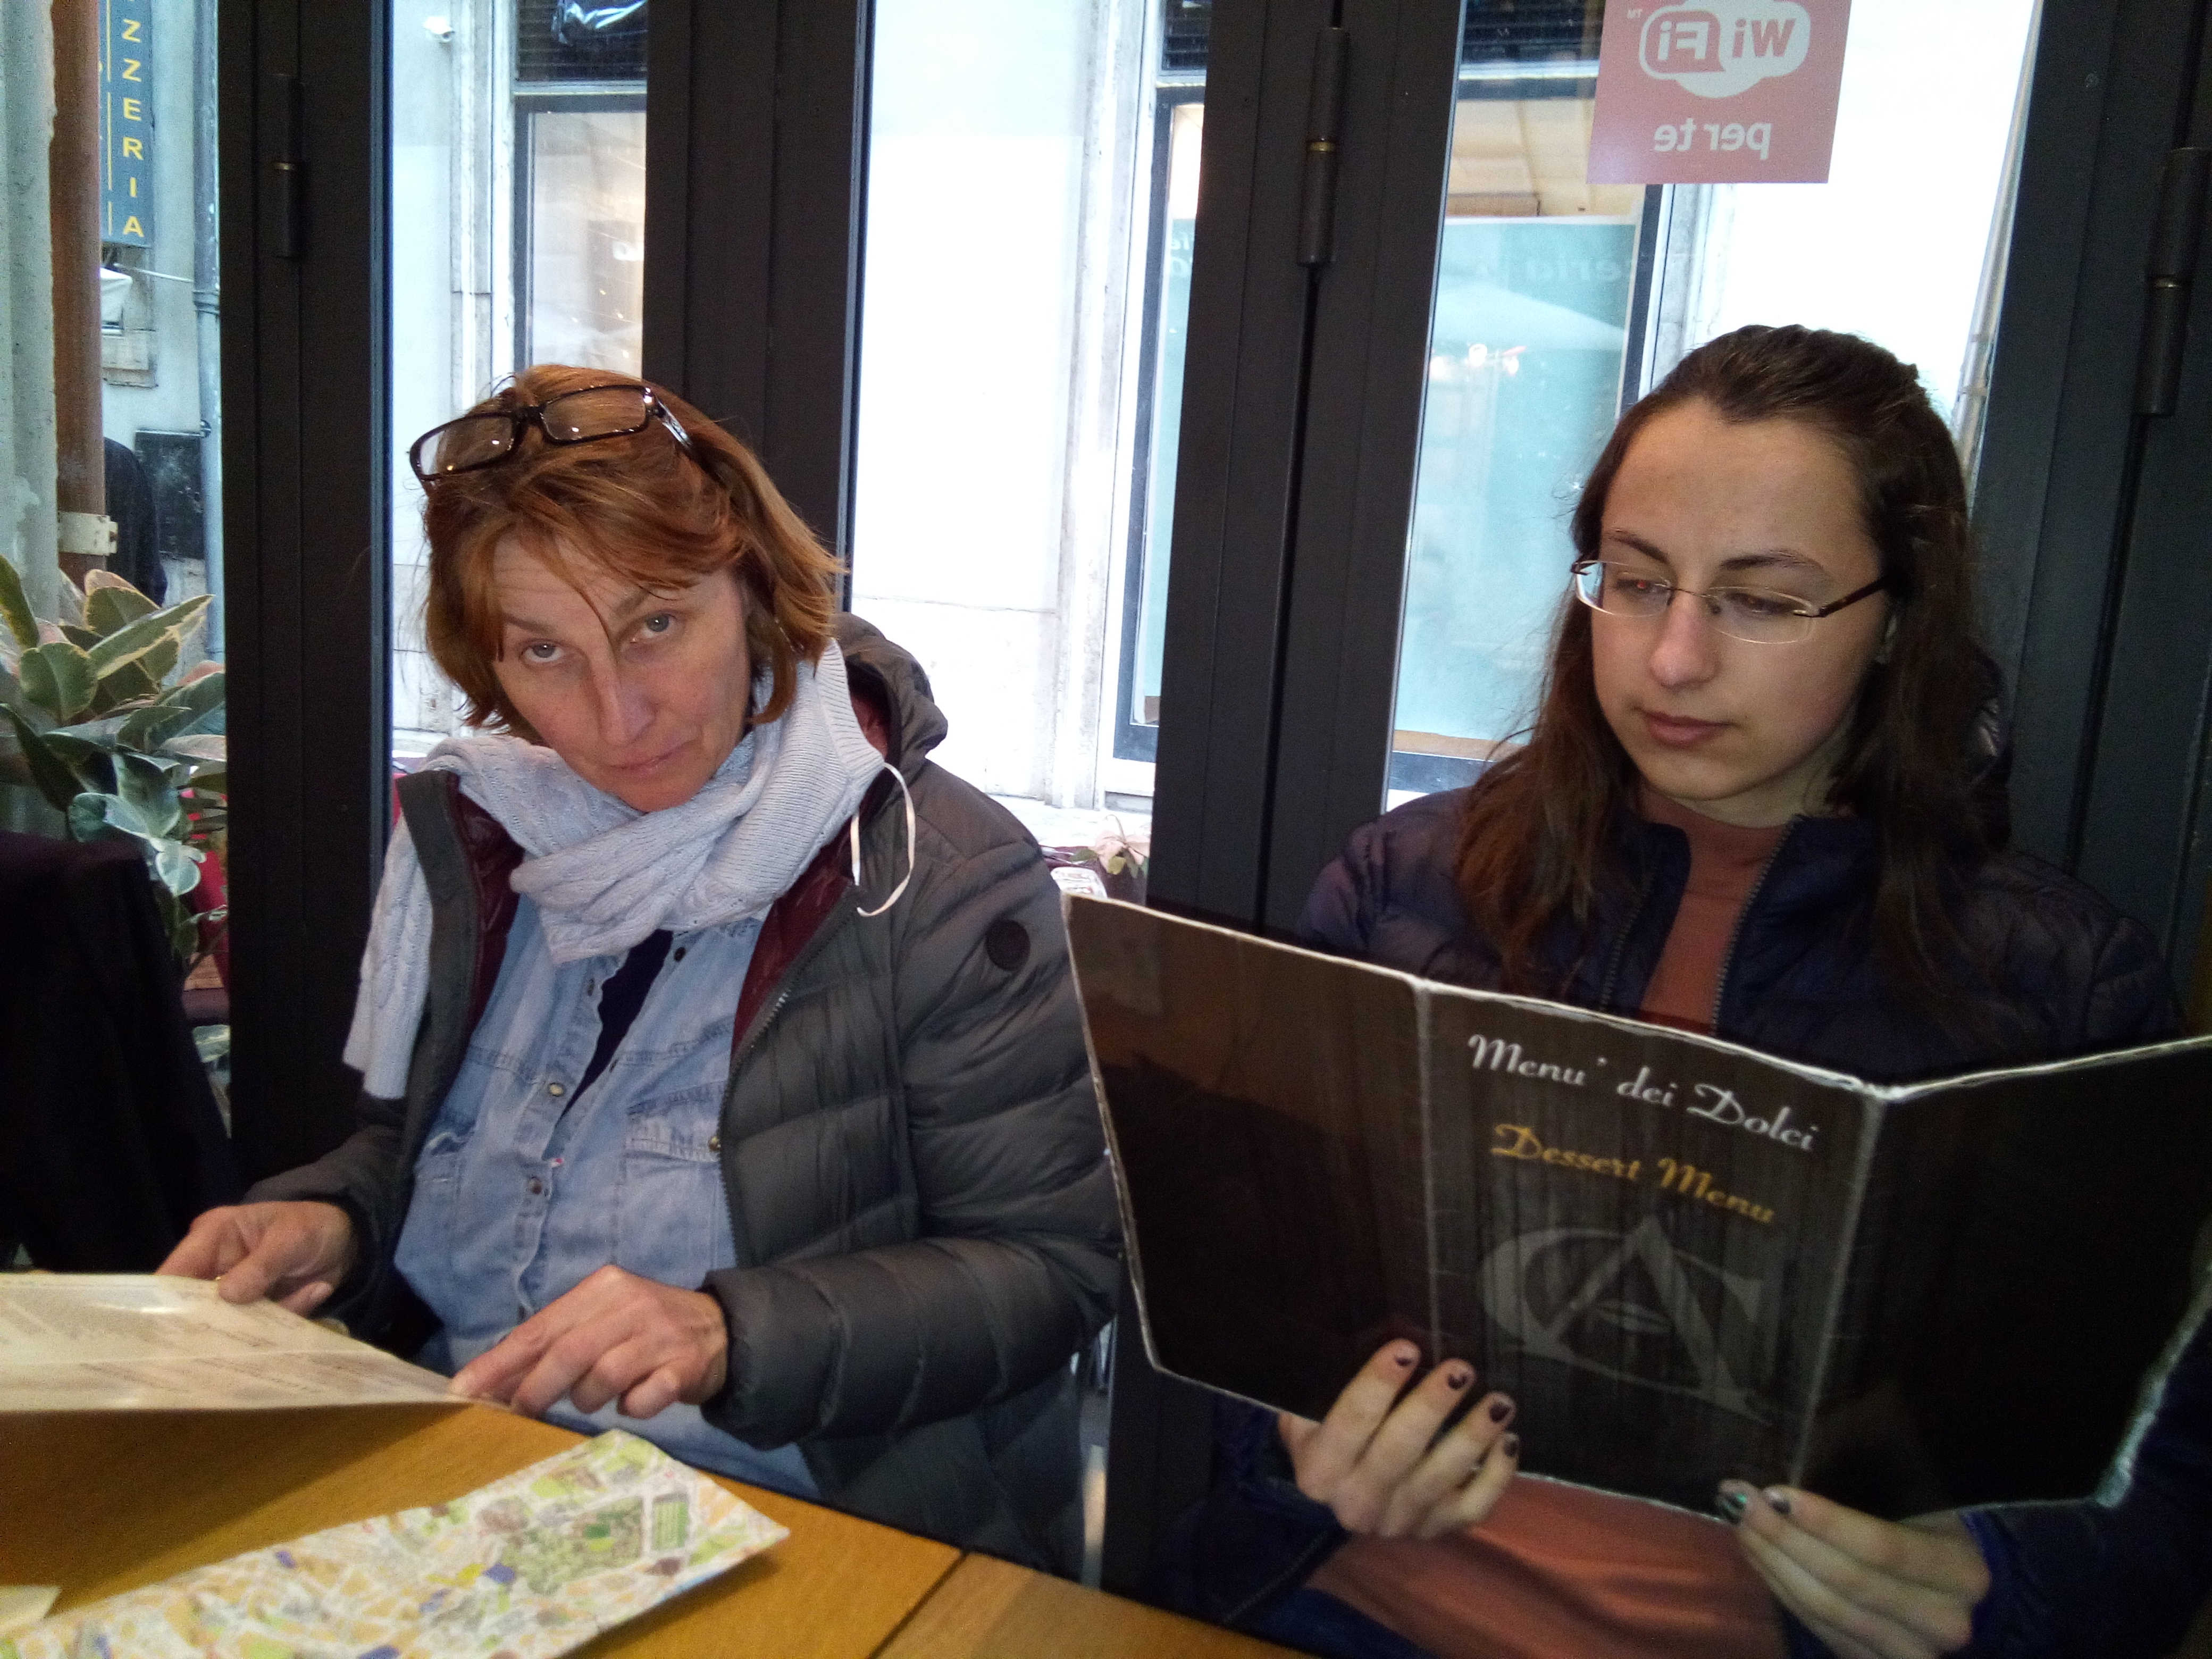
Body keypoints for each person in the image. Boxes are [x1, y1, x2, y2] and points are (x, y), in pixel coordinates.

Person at [1155, 325, 2182, 1657]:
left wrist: (1996, 1585)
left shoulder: (2061, 991)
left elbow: (2158, 1478)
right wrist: (1296, 1437)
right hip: (1343, 1610)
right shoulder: (1403, 886)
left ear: (1897, 619)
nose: (1672, 658)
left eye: (1763, 601)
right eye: (1636, 582)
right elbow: (1253, 1315)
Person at [160, 366, 1120, 1570]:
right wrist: (340, 1223)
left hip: (813, 1529)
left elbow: (1052, 1270)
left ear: (754, 591)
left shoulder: (940, 880)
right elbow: (436, 1155)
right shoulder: (487, 841)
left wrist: (729, 1333)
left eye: (655, 625)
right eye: (543, 652)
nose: (616, 718)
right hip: (470, 1479)